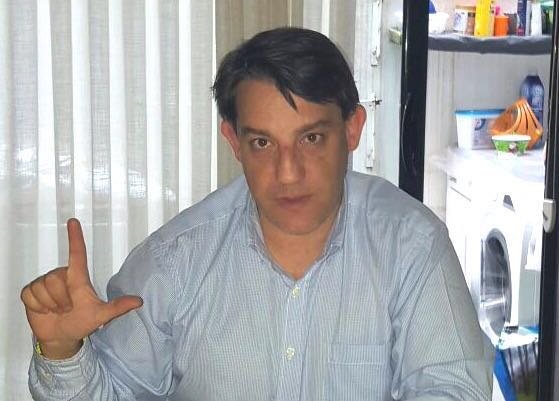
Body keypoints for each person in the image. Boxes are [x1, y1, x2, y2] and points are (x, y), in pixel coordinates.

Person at [21, 27, 493, 401]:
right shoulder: (175, 261)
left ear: (352, 130)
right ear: (234, 141)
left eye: (311, 138)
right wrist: (62, 351)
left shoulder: (412, 246)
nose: (288, 173)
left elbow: (454, 391)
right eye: (263, 143)